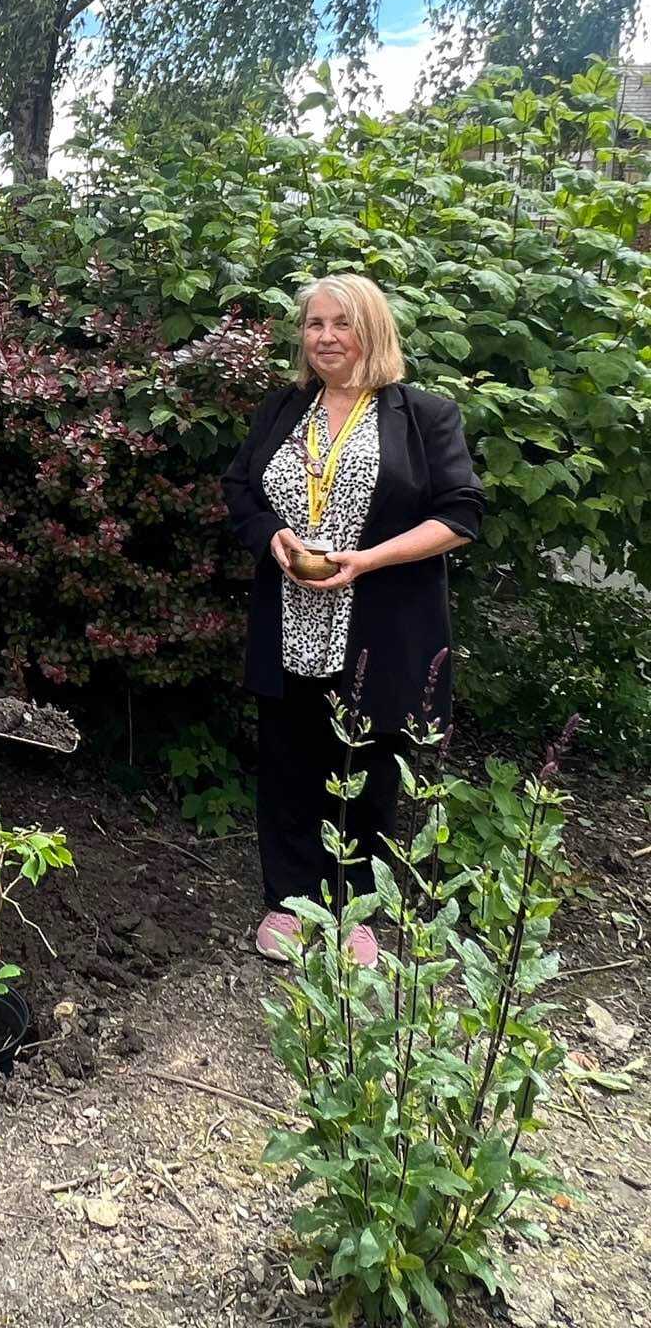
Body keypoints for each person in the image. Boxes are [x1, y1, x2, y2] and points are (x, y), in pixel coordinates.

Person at [221, 273, 484, 965]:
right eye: (314, 324)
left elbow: (461, 515)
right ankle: (287, 898)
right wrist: (271, 536)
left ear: (372, 330)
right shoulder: (285, 408)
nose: (326, 337)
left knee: (367, 770)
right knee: (287, 762)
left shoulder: (422, 415)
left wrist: (367, 560)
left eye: (342, 323)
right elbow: (240, 488)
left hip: (377, 624)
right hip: (291, 618)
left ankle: (357, 910)